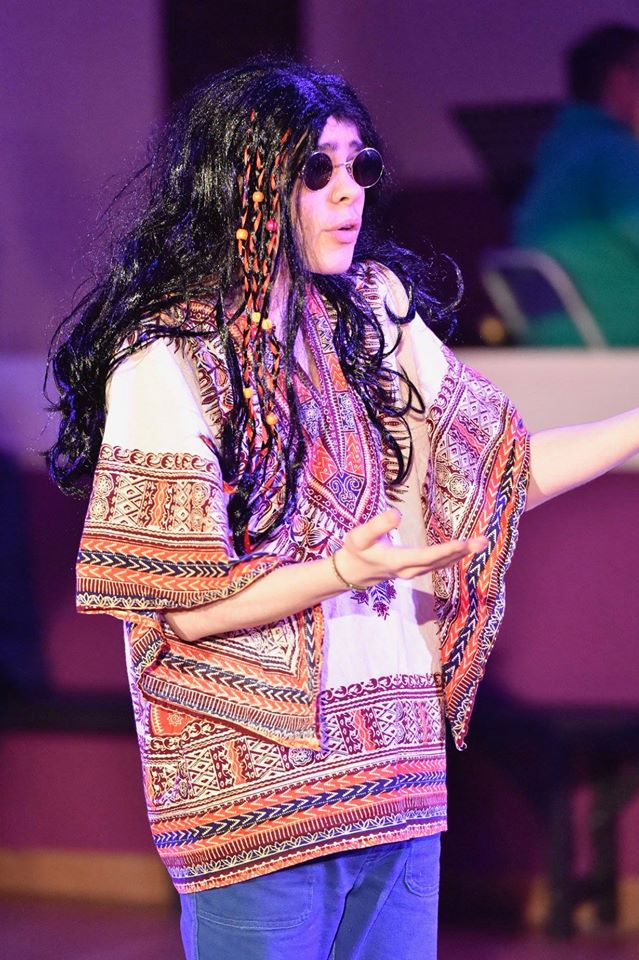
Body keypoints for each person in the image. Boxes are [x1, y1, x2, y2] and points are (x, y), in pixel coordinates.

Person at [46, 61, 639, 960]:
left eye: (358, 165)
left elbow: (500, 471)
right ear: (243, 185)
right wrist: (338, 572)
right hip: (257, 791)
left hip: (394, 772)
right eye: (314, 170)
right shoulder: (168, 355)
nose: (347, 192)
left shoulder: (371, 311)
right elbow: (180, 606)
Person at [514, 23, 639, 346]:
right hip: (613, 329)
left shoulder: (555, 145)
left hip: (550, 331)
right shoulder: (615, 150)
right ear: (620, 80)